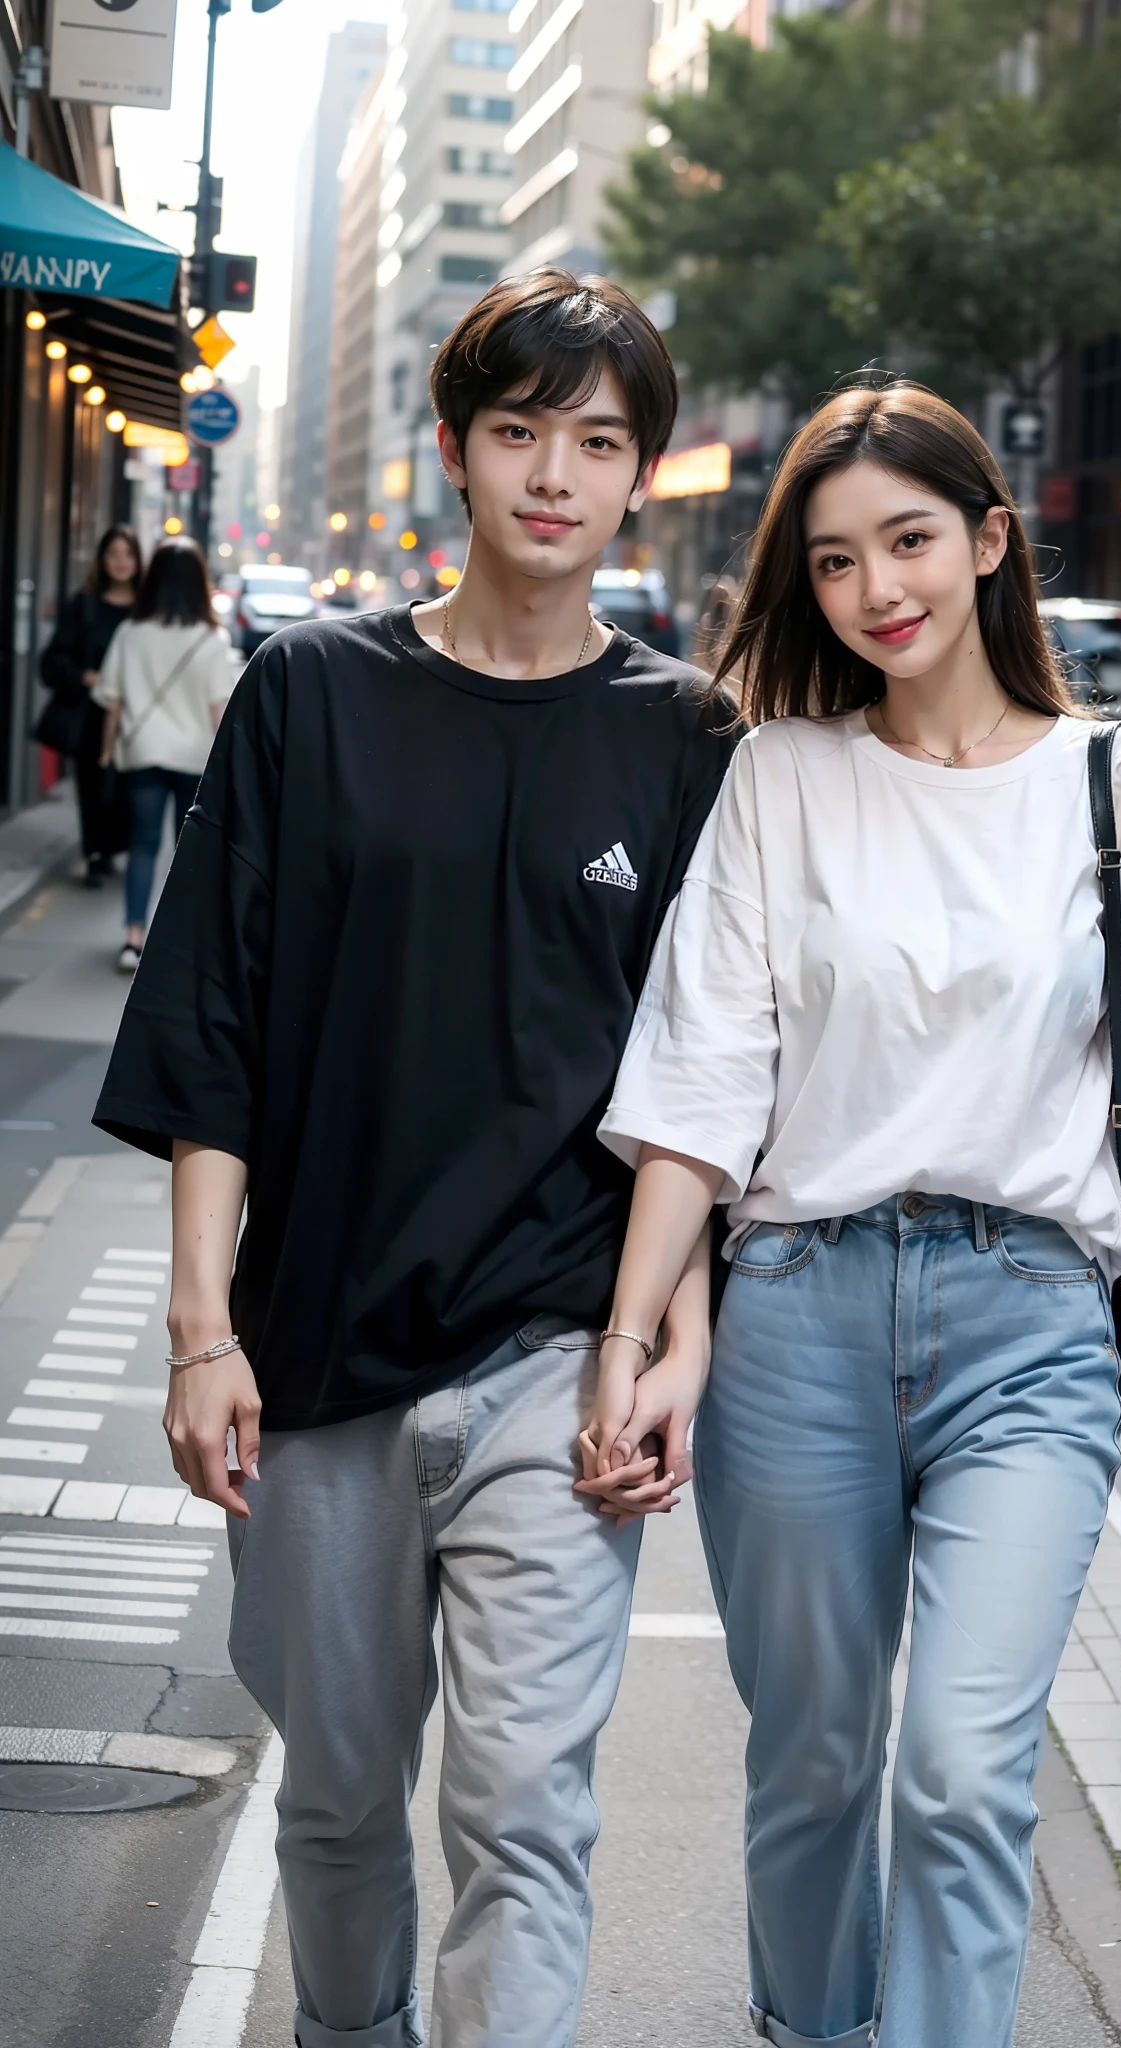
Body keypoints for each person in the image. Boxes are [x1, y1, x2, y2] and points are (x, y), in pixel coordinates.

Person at [578, 382, 1121, 2048]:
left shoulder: (1119, 784)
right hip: (797, 1321)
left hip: (1027, 1322)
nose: (876, 586)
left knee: (965, 1768)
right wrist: (636, 1338)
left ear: (986, 538)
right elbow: (698, 1077)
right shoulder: (783, 777)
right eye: (833, 561)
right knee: (815, 1755)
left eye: (907, 539)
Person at [93, 270, 732, 2048]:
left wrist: (682, 1335)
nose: (555, 472)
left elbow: (720, 1080)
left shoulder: (691, 739)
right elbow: (213, 1019)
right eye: (520, 429)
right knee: (338, 1803)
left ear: (638, 475)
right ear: (454, 448)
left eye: (598, 441)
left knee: (527, 1809)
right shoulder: (310, 694)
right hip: (317, 1351)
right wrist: (200, 1327)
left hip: (556, 1363)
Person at [94, 537, 233, 974]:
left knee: (143, 844)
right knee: (187, 851)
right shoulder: (211, 638)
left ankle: (132, 939)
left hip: (143, 752)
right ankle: (177, 943)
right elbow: (220, 710)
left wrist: (105, 750)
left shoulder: (130, 633)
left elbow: (112, 701)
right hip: (195, 758)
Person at [37, 524, 142, 885]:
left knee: (129, 785)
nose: (121, 562)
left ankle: (115, 848)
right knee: (93, 785)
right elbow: (52, 662)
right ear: (101, 559)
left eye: (128, 554)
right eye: (113, 554)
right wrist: (87, 677)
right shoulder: (85, 605)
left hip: (135, 714)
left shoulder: (146, 610)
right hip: (91, 714)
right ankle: (95, 855)